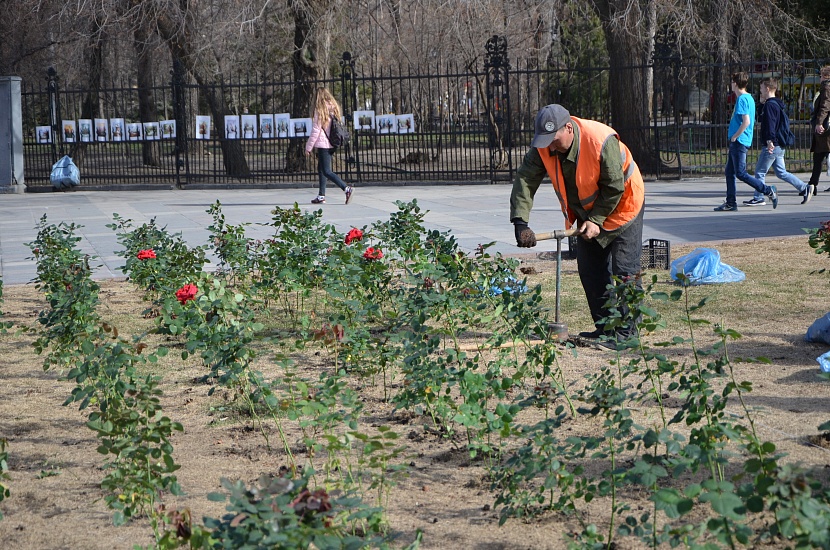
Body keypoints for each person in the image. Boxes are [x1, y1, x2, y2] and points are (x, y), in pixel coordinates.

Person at [510, 104, 645, 348]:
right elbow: (526, 179)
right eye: (545, 140)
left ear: (569, 128)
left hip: (624, 204)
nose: (549, 146)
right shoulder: (544, 148)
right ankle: (606, 329)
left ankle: (627, 334)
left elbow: (615, 186)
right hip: (589, 211)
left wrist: (596, 220)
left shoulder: (600, 140)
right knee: (590, 269)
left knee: (624, 269)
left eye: (554, 139)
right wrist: (520, 222)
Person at [744, 78, 813, 206]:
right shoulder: (774, 104)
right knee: (781, 172)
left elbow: (770, 125)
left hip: (772, 145)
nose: (760, 91)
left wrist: (770, 141)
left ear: (768, 89)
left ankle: (759, 197)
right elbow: (764, 118)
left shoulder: (770, 105)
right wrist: (761, 104)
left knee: (760, 171)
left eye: (761, 88)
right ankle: (804, 188)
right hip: (779, 145)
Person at [715, 71, 778, 211]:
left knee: (740, 173)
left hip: (739, 141)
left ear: (736, 84)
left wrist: (735, 136)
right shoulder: (749, 98)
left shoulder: (742, 99)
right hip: (740, 140)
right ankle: (731, 202)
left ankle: (767, 190)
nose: (731, 85)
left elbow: (747, 121)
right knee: (729, 172)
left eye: (732, 82)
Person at [305, 87, 353, 205]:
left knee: (326, 170)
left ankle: (346, 188)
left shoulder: (320, 109)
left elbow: (316, 130)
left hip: (323, 143)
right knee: (321, 169)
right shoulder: (334, 107)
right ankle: (321, 196)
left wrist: (308, 147)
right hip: (333, 142)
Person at [810, 66, 830, 193]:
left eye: (821, 76)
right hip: (825, 128)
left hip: (825, 129)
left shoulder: (827, 88)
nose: (819, 78)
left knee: (820, 156)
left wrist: (819, 122)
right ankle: (812, 185)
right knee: (819, 156)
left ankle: (812, 185)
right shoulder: (825, 88)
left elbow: (825, 106)